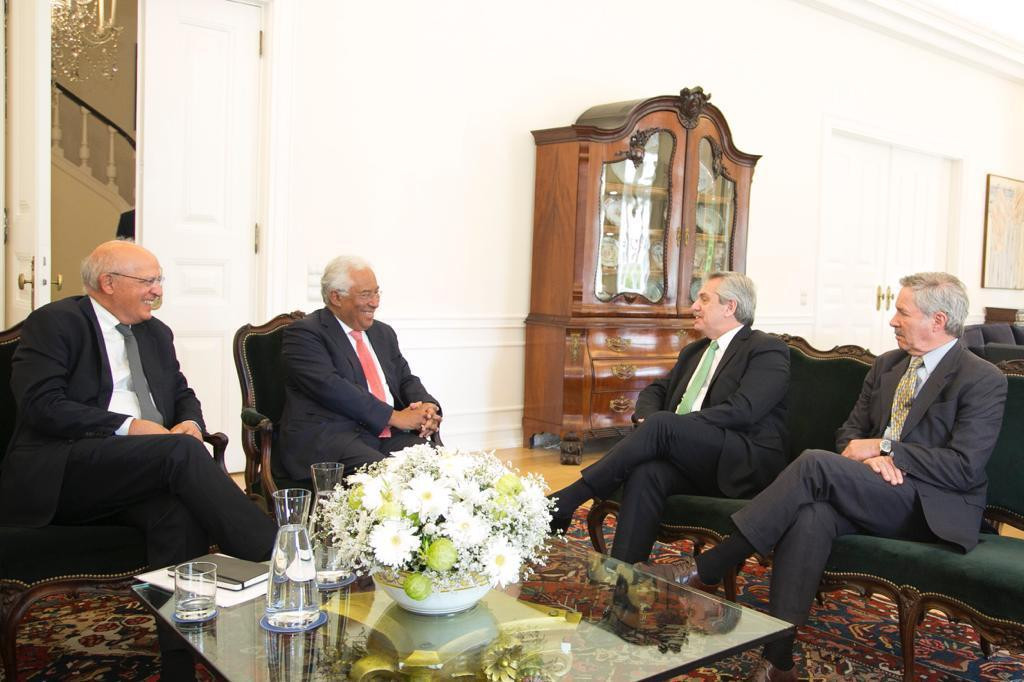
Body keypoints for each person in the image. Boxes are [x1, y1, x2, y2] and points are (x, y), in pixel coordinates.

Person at [647, 272, 1008, 682]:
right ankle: (779, 662)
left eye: (902, 312)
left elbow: (964, 466)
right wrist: (868, 458)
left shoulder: (981, 378)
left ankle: (713, 565)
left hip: (930, 505)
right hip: (872, 487)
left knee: (814, 463)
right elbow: (849, 434)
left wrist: (886, 449)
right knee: (810, 516)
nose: (892, 320)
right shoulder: (888, 366)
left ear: (937, 321)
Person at [0, 240, 276, 680]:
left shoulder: (155, 332)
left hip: (141, 467)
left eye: (158, 280)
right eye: (148, 281)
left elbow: (183, 393)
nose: (157, 291)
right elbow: (41, 405)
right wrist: (129, 427)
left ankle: (180, 660)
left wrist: (188, 421)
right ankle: (275, 555)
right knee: (179, 453)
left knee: (177, 512)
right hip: (66, 468)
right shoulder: (55, 323)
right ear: (108, 283)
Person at [548, 271, 790, 564]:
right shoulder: (695, 351)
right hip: (693, 456)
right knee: (647, 472)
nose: (693, 307)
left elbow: (744, 410)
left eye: (703, 298)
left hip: (740, 459)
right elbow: (655, 391)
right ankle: (626, 579)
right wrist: (653, 424)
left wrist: (674, 429)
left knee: (664, 425)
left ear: (730, 307)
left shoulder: (766, 349)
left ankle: (569, 499)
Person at [278, 255, 441, 480]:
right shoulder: (305, 334)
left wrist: (427, 407)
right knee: (387, 478)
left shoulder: (382, 333)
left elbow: (405, 378)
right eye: (366, 294)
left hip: (385, 435)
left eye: (376, 292)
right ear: (336, 297)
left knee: (437, 464)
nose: (375, 302)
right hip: (334, 438)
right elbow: (331, 387)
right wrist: (393, 416)